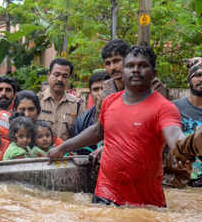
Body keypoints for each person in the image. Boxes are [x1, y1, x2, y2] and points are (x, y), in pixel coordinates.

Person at [49, 46, 185, 207]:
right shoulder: (110, 101)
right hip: (104, 194)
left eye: (142, 66)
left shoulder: (164, 107)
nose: (135, 70)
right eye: (130, 66)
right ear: (124, 71)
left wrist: (190, 144)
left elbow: (175, 136)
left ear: (154, 74)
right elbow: (97, 131)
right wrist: (62, 148)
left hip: (145, 203)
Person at [169, 62, 202, 187]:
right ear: (189, 81)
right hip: (181, 178)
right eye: (198, 75)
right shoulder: (172, 108)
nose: (201, 79)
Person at [38, 58, 84, 141]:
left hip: (67, 153)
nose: (60, 79)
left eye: (65, 76)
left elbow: (82, 134)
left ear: (69, 79)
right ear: (49, 75)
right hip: (40, 153)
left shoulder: (77, 105)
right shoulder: (36, 101)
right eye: (56, 74)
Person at [72, 70, 110, 154]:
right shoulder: (81, 121)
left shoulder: (124, 114)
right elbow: (77, 152)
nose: (100, 93)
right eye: (96, 89)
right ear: (90, 93)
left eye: (104, 88)